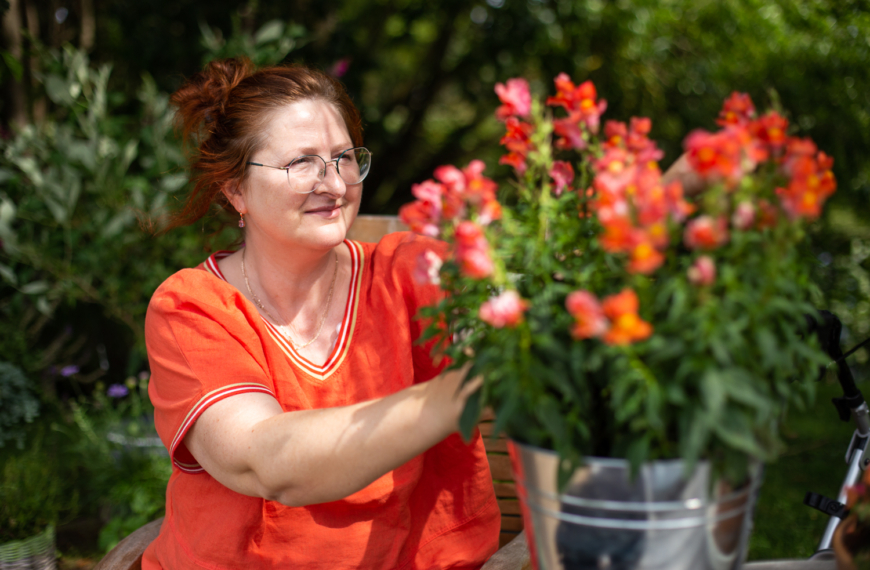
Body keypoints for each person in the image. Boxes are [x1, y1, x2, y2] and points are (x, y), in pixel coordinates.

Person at [142, 57, 503, 569]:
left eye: (344, 158)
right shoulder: (194, 308)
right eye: (302, 163)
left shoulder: (413, 273)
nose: (333, 185)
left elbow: (545, 309)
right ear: (236, 189)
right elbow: (267, 462)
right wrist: (460, 392)